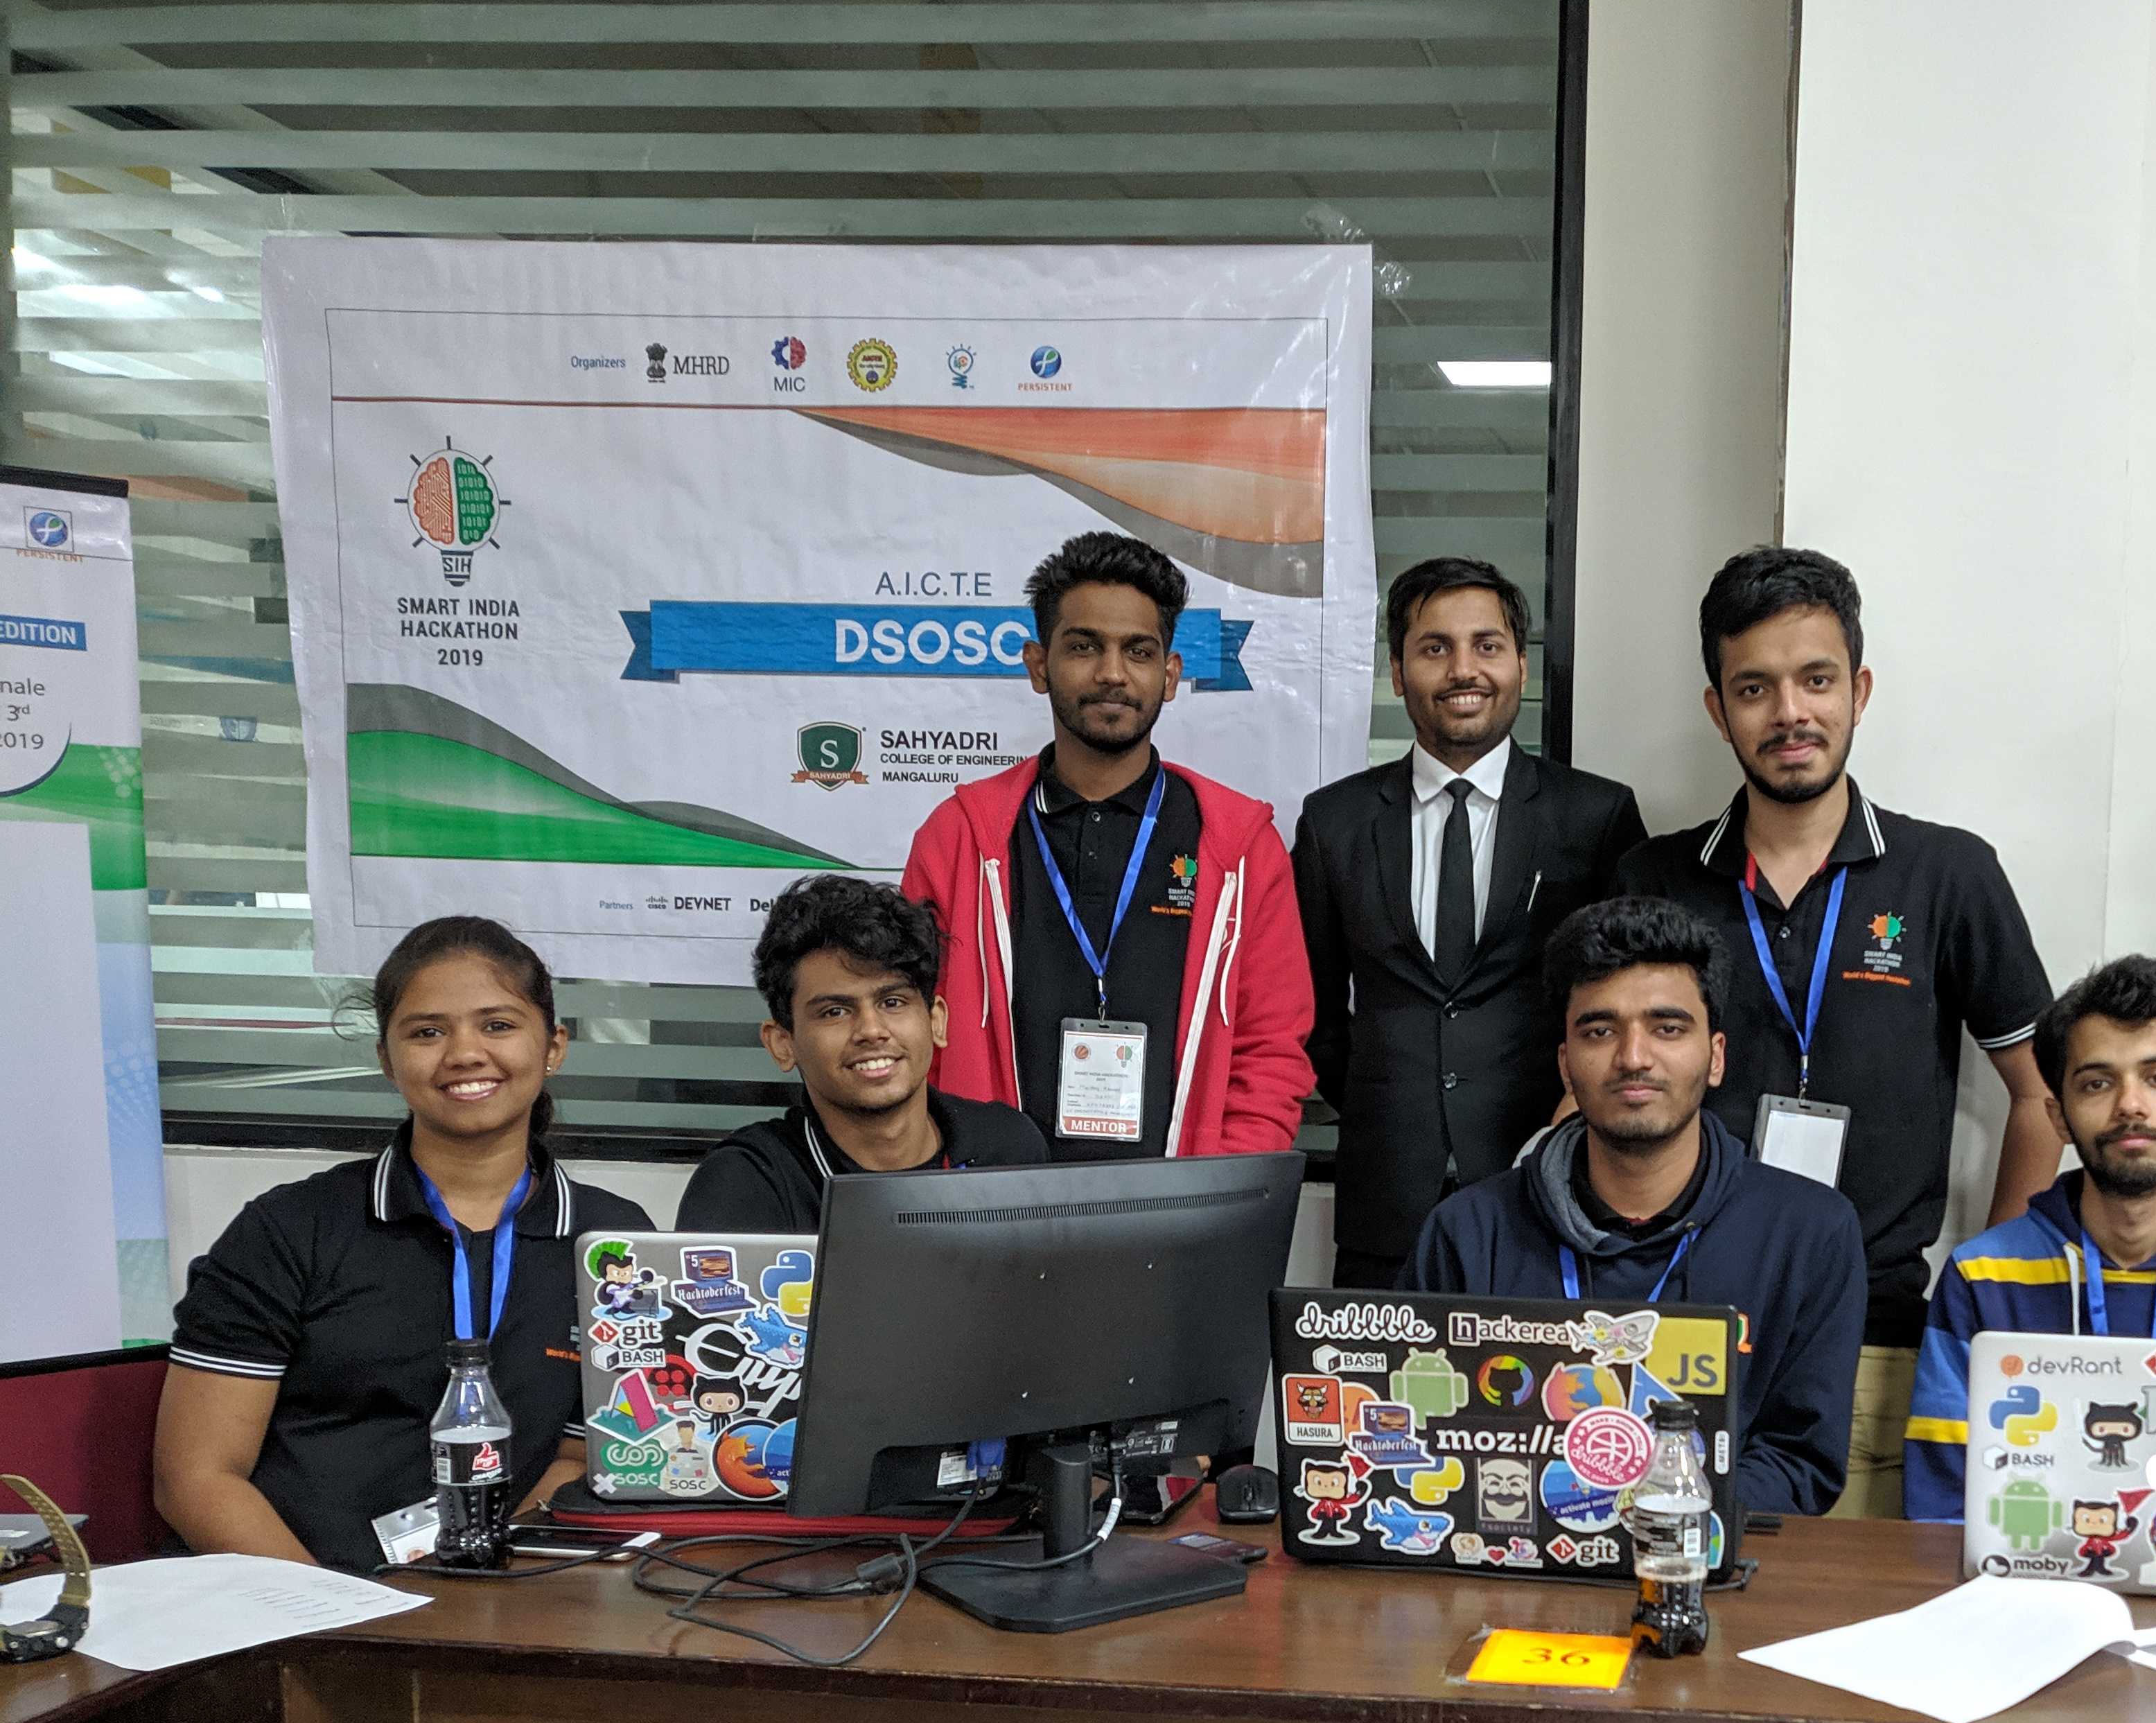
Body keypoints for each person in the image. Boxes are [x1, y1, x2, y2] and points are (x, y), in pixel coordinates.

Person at [1614, 545, 2058, 1515]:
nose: (1790, 713)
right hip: (1674, 1335)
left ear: (1858, 691)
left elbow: (2041, 1095)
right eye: (1755, 688)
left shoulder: (1946, 874)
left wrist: (1990, 1295)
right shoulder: (1653, 879)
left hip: (1880, 1342)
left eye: (1816, 680)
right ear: (1718, 710)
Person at [155, 916, 652, 1571]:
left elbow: (585, 1457)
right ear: (387, 1059)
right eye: (427, 1032)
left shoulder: (614, 1244)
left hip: (519, 1595)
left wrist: (489, 1589)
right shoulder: (289, 1229)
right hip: (306, 1597)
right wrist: (342, 1615)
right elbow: (196, 1479)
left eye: (497, 1025)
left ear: (554, 1046)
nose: (465, 1053)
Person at [1400, 898, 1866, 1517]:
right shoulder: (1468, 1231)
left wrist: (1651, 1510)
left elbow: (1800, 1463)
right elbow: (1423, 1433)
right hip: (1514, 1546)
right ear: (1566, 1064)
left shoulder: (1810, 1233)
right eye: (1600, 1031)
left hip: (1714, 1558)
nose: (1634, 1058)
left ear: (1716, 1056)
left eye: (1667, 1028)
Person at [899, 530, 1313, 1160]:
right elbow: (908, 1029)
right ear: (1038, 665)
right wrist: (954, 1172)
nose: (1112, 673)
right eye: (1084, 646)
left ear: (1170, 675)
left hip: (1179, 1207)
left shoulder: (1240, 847)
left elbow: (1271, 1049)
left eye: (1138, 651)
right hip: (992, 1200)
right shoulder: (958, 838)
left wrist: (1214, 1192)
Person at [1292, 555, 1645, 1283]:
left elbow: (1628, 1000)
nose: (1464, 670)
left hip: (1550, 1186)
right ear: (1398, 673)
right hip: (1386, 1198)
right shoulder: (1334, 823)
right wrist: (1388, 1102)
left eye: (1487, 645)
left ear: (1521, 664)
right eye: (1435, 648)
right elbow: (1311, 1009)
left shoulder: (1596, 816)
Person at [1904, 956, 2156, 1523]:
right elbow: (1941, 1508)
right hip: (2019, 1574)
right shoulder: (1982, 1277)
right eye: (2098, 1083)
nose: (2131, 1105)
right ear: (2059, 1117)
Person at [679, 875, 1050, 1232]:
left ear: (936, 1021)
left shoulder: (1008, 1150)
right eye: (835, 1012)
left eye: (892, 1002)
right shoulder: (746, 1185)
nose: (872, 1031)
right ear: (782, 1044)